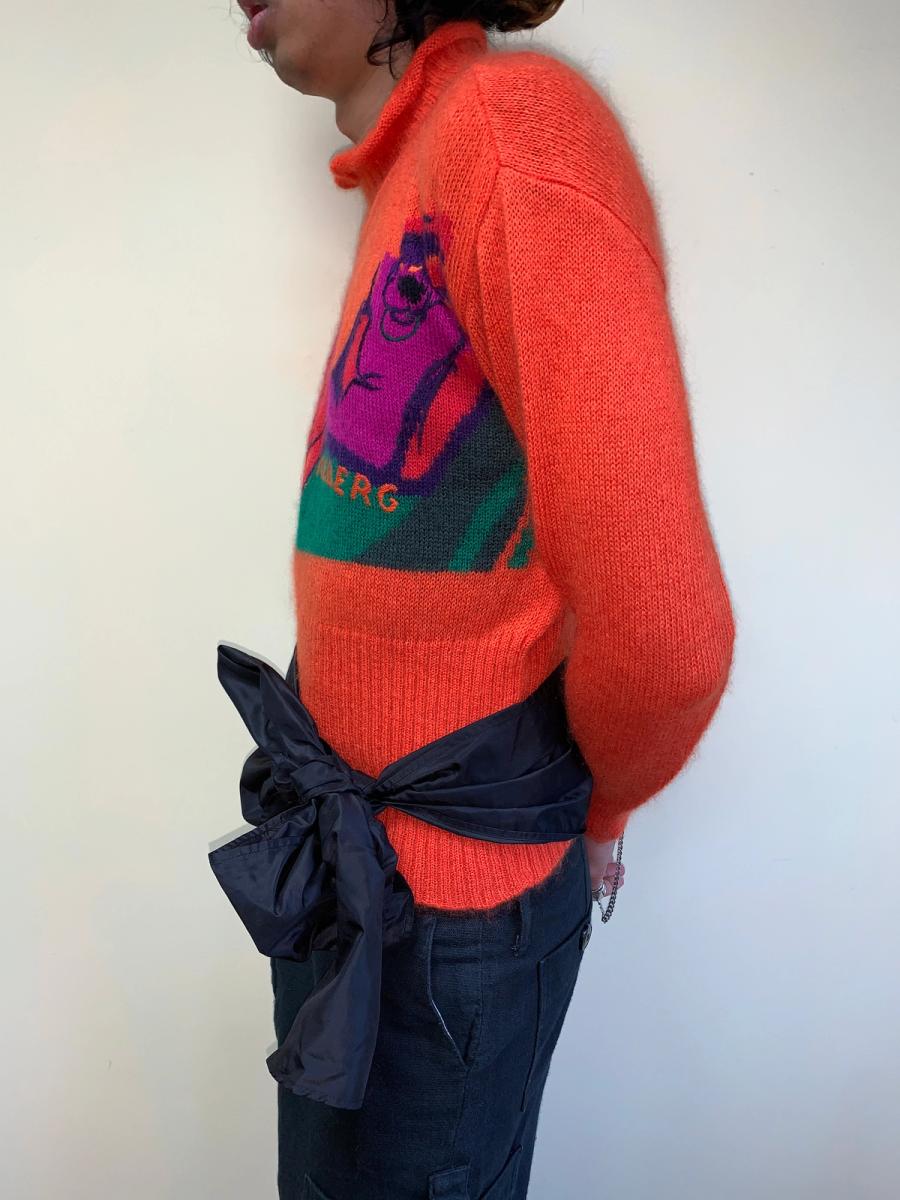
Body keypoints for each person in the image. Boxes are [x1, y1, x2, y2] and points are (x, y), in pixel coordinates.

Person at [228, 3, 736, 1197]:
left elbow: (668, 637)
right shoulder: (420, 165)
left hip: (446, 926)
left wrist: (597, 802)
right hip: (349, 874)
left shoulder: (514, 133)